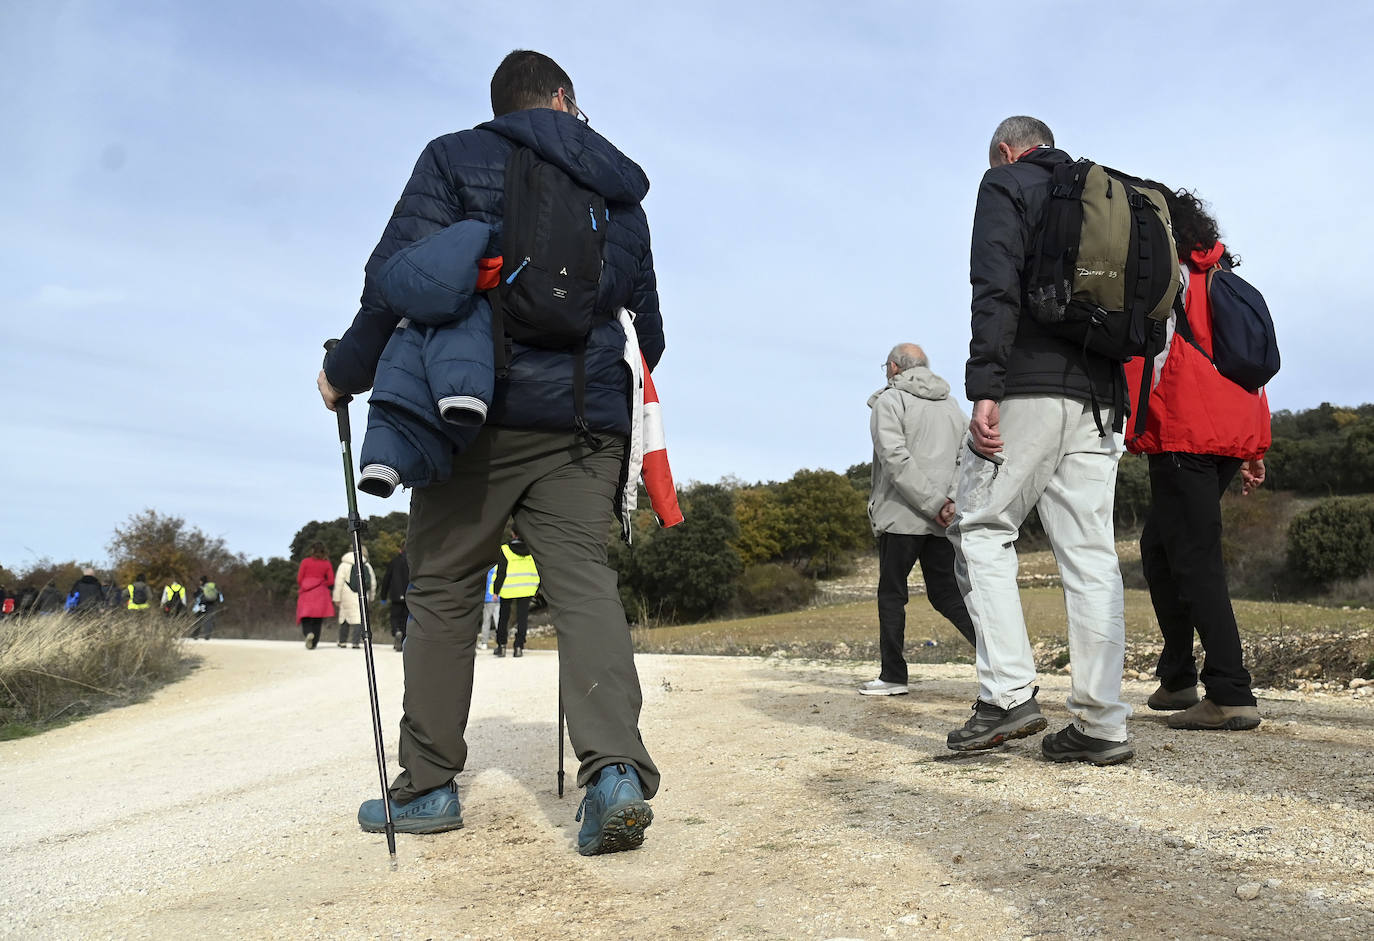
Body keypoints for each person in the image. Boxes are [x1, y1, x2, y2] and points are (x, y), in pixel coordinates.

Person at [318, 50, 662, 855]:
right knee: (583, 585)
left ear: (501, 106)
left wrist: (345, 373)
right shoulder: (616, 187)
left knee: (439, 588)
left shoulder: (452, 157)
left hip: (469, 415)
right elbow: (651, 330)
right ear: (566, 99)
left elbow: (393, 281)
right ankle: (613, 773)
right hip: (585, 420)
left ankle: (430, 786)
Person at [945, 116, 1133, 766]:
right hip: (1104, 396)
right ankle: (1102, 722)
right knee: (1090, 553)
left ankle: (1006, 693)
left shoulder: (1006, 184)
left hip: (1029, 385)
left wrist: (985, 387)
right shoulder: (1103, 195)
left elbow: (993, 287)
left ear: (1005, 148)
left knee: (980, 526)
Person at [1123, 189, 1268, 732]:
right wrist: (1253, 447)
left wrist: (1126, 426)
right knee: (1159, 547)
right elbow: (1246, 368)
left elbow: (1149, 357)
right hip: (1230, 430)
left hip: (1186, 433)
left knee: (1196, 558)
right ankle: (1178, 675)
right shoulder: (1225, 279)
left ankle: (1230, 690)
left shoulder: (1172, 277)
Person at [861, 344, 977, 696]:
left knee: (892, 595)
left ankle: (893, 676)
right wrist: (950, 502)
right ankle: (1001, 663)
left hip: (901, 517)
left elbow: (895, 459)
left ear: (893, 367)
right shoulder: (952, 406)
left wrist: (932, 503)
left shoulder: (889, 402)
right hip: (942, 519)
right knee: (947, 595)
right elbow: (965, 457)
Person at [492, 532, 539, 658]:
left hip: (508, 589)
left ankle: (501, 646)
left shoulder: (505, 549)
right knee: (522, 618)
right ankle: (518, 647)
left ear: (513, 534)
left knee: (503, 618)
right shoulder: (533, 549)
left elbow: (501, 572)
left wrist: (496, 590)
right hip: (527, 589)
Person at [332, 546, 376, 648]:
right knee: (359, 618)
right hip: (362, 594)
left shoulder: (344, 565)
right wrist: (372, 597)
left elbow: (338, 582)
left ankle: (342, 641)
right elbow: (373, 583)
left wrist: (336, 598)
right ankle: (355, 642)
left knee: (345, 617)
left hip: (346, 593)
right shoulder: (367, 565)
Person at [296, 543, 336, 649]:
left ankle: (308, 633)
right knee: (318, 620)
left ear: (312, 551)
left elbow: (299, 579)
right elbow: (331, 580)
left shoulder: (305, 562)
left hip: (306, 592)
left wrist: (305, 584)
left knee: (305, 617)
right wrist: (322, 584)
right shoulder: (326, 563)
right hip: (321, 593)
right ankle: (313, 644)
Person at [382, 542, 410, 652]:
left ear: (400, 550)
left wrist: (383, 596)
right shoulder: (413, 562)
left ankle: (396, 631)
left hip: (396, 595)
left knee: (394, 617)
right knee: (405, 619)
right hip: (409, 595)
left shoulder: (394, 562)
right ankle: (402, 641)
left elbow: (386, 579)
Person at [190, 575, 223, 640]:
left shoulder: (201, 588)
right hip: (211, 605)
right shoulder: (212, 587)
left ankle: (195, 635)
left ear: (201, 581)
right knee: (209, 620)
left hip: (202, 605)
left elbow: (195, 595)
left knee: (199, 619)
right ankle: (207, 635)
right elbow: (220, 597)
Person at [478, 564, 500, 651]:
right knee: (498, 621)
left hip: (489, 598)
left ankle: (484, 643)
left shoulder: (487, 570)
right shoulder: (500, 568)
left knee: (486, 622)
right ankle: (500, 642)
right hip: (499, 597)